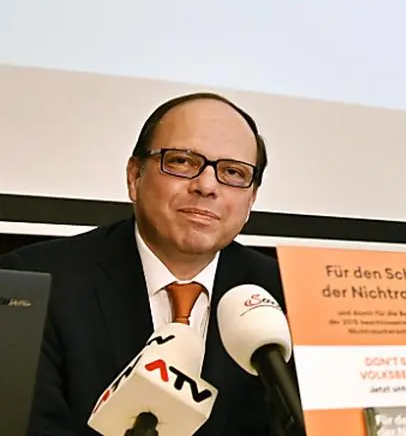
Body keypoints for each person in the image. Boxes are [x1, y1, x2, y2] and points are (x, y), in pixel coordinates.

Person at [0, 92, 286, 435]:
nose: (207, 186)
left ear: (251, 199)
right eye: (182, 161)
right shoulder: (36, 284)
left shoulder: (289, 296)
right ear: (134, 176)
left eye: (233, 172)